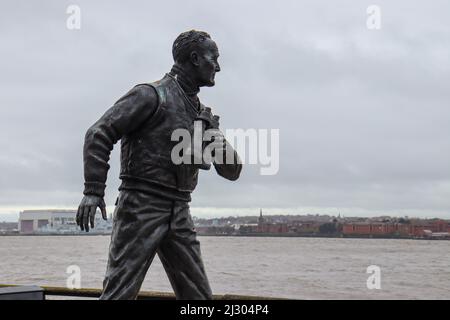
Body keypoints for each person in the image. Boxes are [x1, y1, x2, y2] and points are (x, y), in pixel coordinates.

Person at [76, 30, 242, 300]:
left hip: (180, 209)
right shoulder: (151, 95)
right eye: (215, 58)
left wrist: (213, 137)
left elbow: (232, 171)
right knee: (120, 293)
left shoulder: (201, 114)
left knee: (198, 298)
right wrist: (93, 190)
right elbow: (99, 134)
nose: (219, 67)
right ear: (196, 58)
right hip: (142, 205)